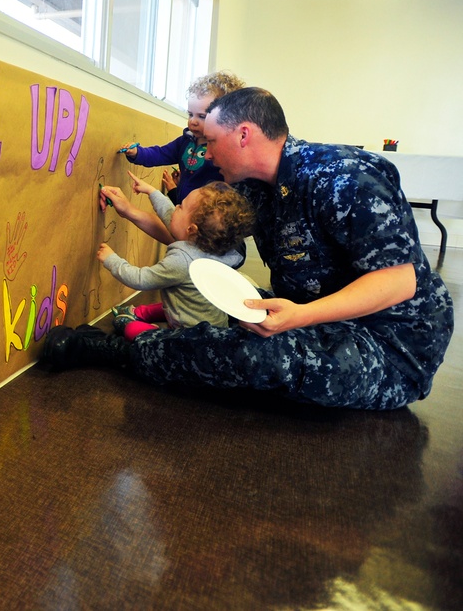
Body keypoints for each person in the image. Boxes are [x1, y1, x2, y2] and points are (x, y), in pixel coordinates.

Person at [44, 87, 454, 410]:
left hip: (389, 344)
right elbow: (192, 241)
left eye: (211, 142)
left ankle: (118, 352)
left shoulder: (343, 178)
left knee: (259, 357)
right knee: (228, 304)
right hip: (316, 315)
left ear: (243, 134)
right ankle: (147, 340)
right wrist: (129, 210)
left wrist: (301, 316)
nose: (205, 154)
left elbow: (399, 282)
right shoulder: (254, 190)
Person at [98, 174, 254, 339]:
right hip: (209, 325)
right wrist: (151, 191)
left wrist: (111, 260)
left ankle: (154, 329)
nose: (176, 206)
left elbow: (141, 279)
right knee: (174, 303)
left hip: (189, 339)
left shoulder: (183, 261)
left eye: (180, 206)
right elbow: (170, 216)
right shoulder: (215, 246)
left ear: (191, 230)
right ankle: (141, 313)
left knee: (129, 328)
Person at [122, 71, 245, 204]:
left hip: (208, 213)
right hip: (184, 209)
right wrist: (137, 153)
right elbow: (160, 154)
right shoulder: (185, 142)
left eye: (201, 116)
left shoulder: (224, 151)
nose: (193, 121)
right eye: (190, 114)